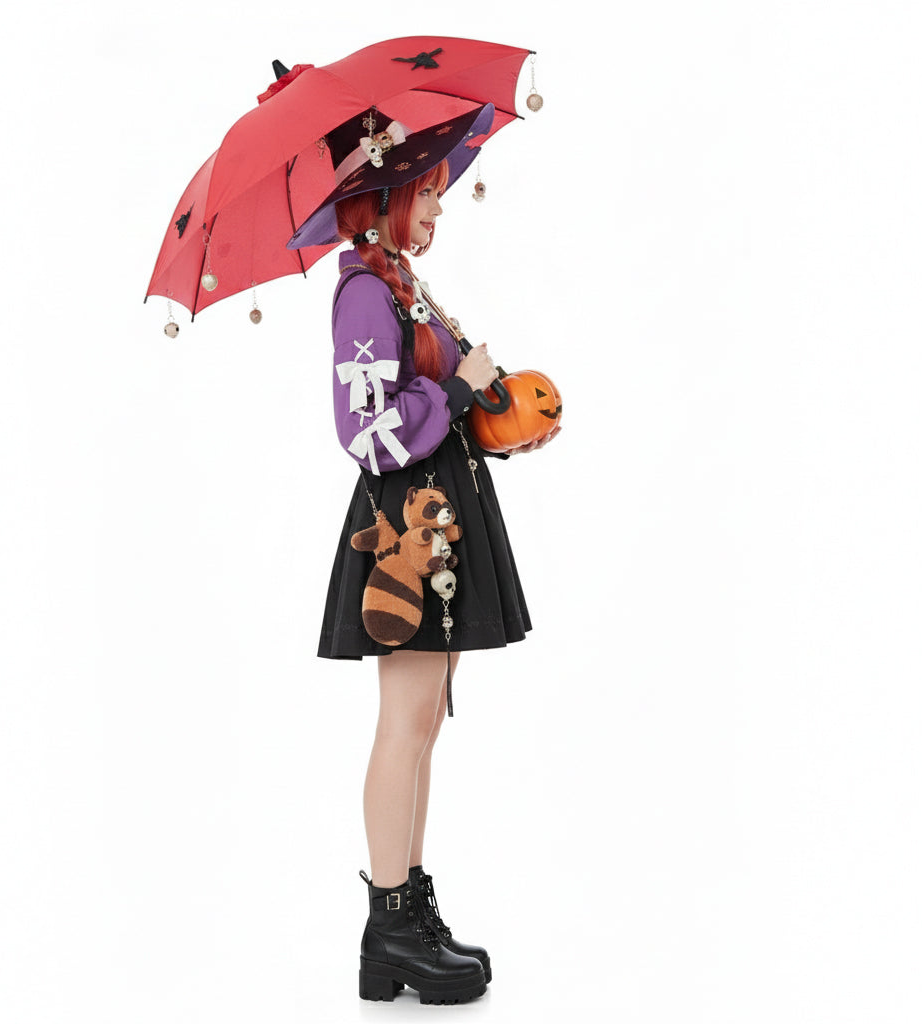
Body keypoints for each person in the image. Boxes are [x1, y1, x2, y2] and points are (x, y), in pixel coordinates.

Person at [288, 103, 559, 1004]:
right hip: (407, 533)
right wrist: (458, 394)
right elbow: (364, 430)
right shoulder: (364, 294)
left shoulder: (399, 281)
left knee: (425, 722)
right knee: (405, 723)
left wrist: (499, 419)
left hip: (439, 514)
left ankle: (405, 915)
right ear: (383, 195)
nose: (439, 206)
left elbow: (432, 397)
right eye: (427, 191)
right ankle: (390, 928)